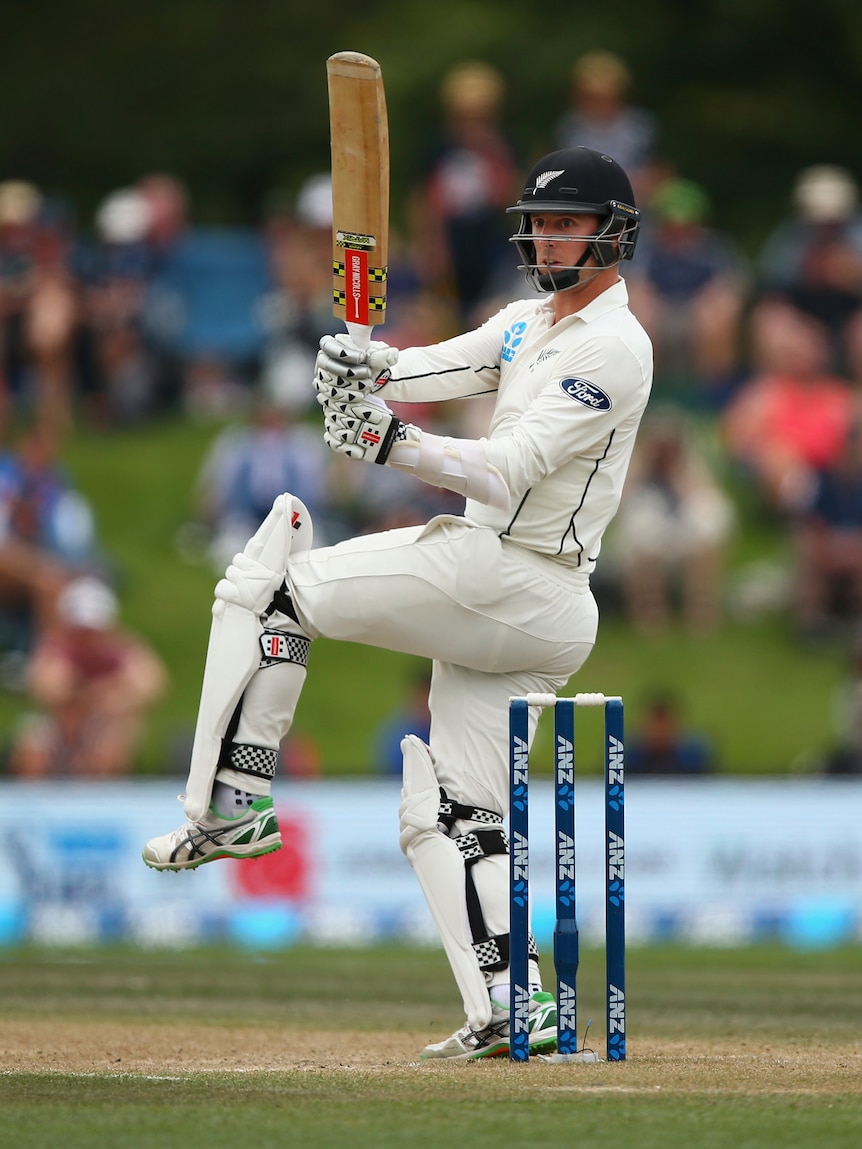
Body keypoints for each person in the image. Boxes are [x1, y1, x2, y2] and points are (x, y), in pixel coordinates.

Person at [142, 146, 653, 1061]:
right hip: (509, 595)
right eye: (537, 221)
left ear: (614, 234)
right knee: (451, 814)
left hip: (521, 575)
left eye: (567, 223)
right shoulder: (526, 324)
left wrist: (392, 444)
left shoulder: (616, 347)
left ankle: (231, 802)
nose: (545, 237)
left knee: (271, 588)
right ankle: (514, 1001)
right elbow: (426, 370)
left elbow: (508, 470)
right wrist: (362, 363)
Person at [7, 575, 167, 777]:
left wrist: (98, 697)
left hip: (105, 723)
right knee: (32, 748)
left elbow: (151, 685)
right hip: (61, 724)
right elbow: (48, 687)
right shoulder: (55, 646)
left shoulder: (122, 649)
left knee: (111, 745)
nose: (87, 636)